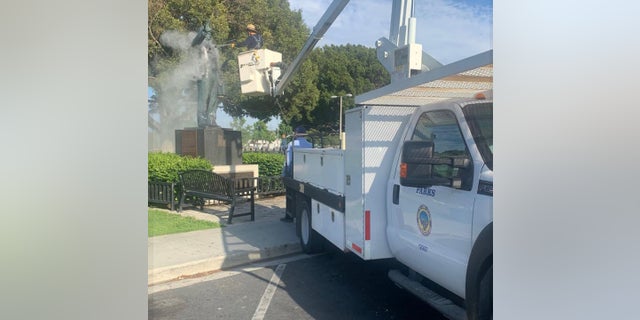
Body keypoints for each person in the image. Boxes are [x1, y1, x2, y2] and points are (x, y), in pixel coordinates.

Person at [281, 126, 312, 222]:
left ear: (296, 133)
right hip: (308, 174)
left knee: (290, 195)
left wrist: (286, 174)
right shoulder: (310, 144)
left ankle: (289, 216)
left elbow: (289, 161)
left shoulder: (292, 144)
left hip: (295, 174)